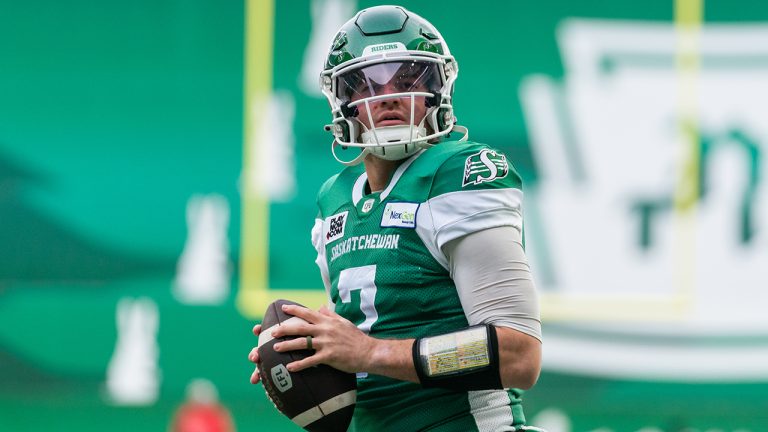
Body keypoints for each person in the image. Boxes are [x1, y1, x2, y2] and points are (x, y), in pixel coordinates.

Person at [248, 5, 542, 431]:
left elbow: (519, 354)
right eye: (366, 84)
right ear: (343, 103)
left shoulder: (460, 175)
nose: (387, 95)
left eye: (408, 79)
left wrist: (370, 353)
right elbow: (365, 326)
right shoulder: (334, 200)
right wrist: (308, 344)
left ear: (436, 92)